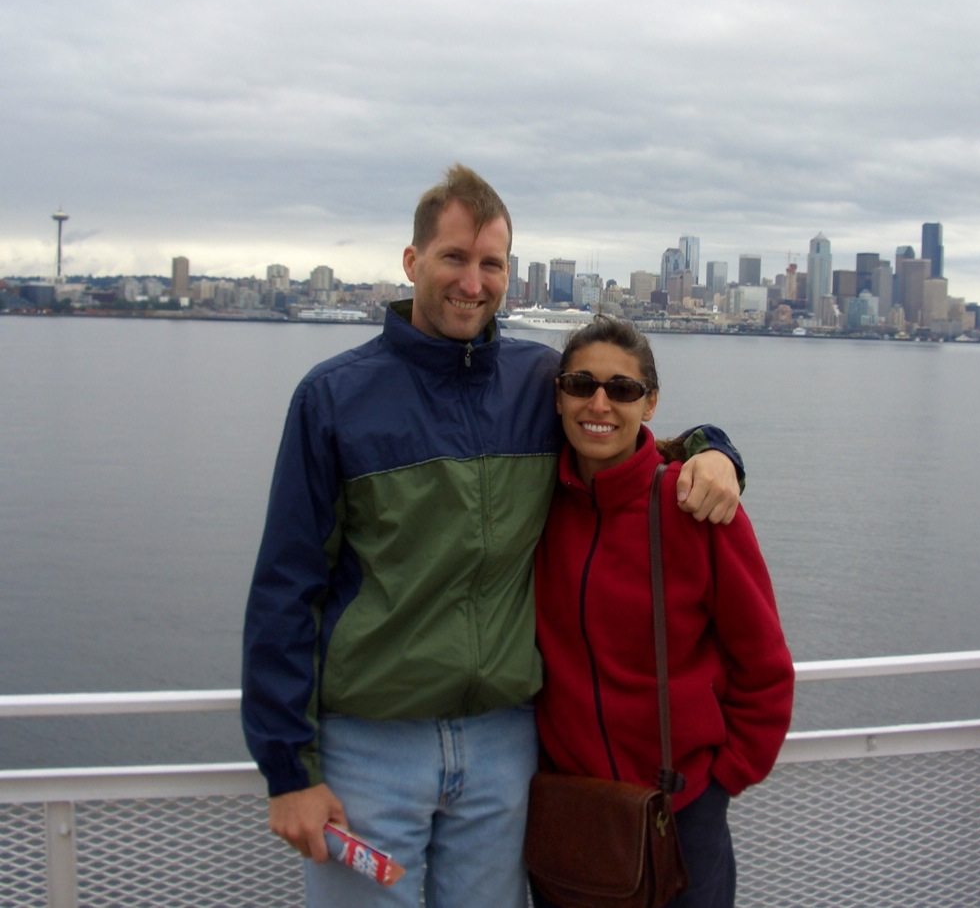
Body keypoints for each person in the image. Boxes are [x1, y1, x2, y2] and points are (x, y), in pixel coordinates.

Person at [241, 164, 745, 908]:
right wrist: (289, 771)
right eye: (453, 258)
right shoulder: (333, 398)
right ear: (413, 262)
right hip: (371, 746)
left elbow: (629, 439)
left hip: (504, 748)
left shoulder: (536, 381)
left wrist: (716, 449)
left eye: (490, 264)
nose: (471, 282)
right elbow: (286, 589)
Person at [532, 316, 795, 908]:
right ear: (558, 395)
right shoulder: (535, 502)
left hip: (681, 812)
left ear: (650, 403)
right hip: (570, 811)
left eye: (622, 389)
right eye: (581, 384)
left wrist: (722, 779)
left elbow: (765, 664)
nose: (599, 403)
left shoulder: (691, 506)